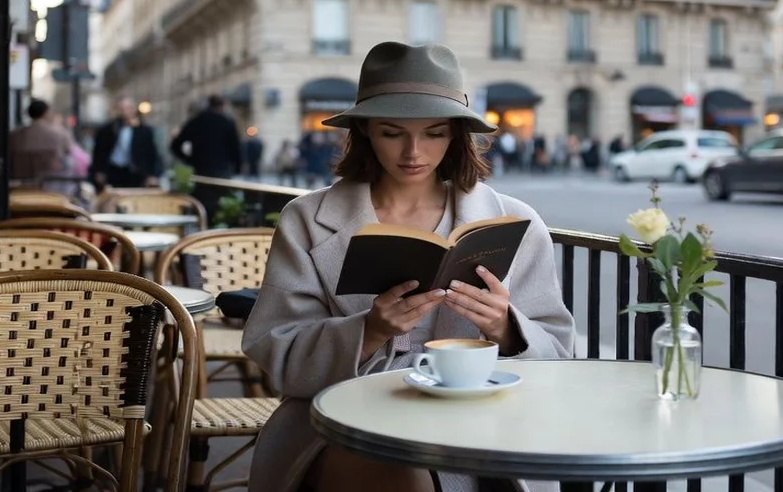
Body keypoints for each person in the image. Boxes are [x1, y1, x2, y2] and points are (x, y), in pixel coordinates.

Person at [241, 41, 575, 492]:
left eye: (434, 133)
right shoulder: (307, 219)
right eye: (392, 132)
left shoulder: (514, 221)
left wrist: (506, 327)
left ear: (456, 135)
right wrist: (370, 330)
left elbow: (559, 355)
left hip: (478, 423)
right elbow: (276, 353)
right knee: (394, 469)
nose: (413, 152)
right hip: (346, 417)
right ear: (365, 133)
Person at [169, 94, 243, 215]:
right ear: (223, 106)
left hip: (202, 171)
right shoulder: (228, 122)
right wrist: (237, 168)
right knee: (220, 208)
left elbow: (176, 144)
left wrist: (189, 159)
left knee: (202, 206)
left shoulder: (197, 121)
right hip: (222, 172)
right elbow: (236, 149)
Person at [89, 95, 163, 191]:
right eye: (121, 109)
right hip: (114, 171)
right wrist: (99, 171)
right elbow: (99, 151)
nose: (124, 112)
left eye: (127, 108)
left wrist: (153, 175)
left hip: (136, 173)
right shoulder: (109, 129)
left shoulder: (144, 130)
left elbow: (152, 153)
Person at [8, 98, 74, 186]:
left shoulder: (14, 136)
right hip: (51, 186)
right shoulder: (59, 134)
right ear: (46, 113)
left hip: (19, 185)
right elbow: (69, 151)